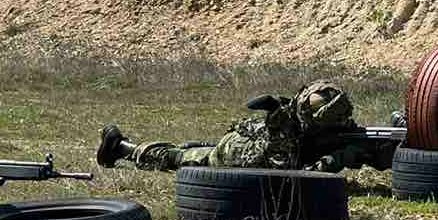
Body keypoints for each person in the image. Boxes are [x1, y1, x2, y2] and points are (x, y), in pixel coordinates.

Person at [96, 81, 396, 174]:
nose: (344, 125)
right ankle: (122, 147)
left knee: (196, 147)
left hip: (257, 140)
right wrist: (339, 159)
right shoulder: (284, 134)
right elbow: (295, 177)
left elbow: (357, 142)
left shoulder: (322, 120)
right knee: (184, 158)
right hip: (240, 153)